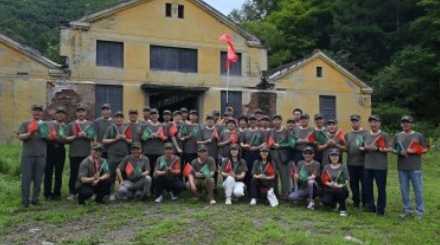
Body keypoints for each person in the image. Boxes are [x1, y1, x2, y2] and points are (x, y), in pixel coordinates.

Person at [393, 115, 428, 220]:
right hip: (402, 167)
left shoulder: (419, 135)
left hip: (415, 167)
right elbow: (392, 148)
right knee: (404, 190)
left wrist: (415, 150)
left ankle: (420, 211)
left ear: (412, 124)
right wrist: (399, 152)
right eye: (403, 122)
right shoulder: (397, 135)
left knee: (418, 190)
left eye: (408, 122)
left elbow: (425, 149)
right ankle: (406, 210)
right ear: (401, 124)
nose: (405, 124)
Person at [360, 114, 393, 216]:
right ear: (369, 123)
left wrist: (377, 149)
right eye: (371, 122)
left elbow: (390, 149)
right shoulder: (365, 135)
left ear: (379, 123)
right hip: (368, 166)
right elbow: (360, 147)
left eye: (375, 122)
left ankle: (380, 209)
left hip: (380, 167)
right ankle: (371, 206)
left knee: (381, 188)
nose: (373, 124)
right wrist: (365, 148)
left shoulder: (384, 135)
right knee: (368, 187)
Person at [17, 104, 48, 207]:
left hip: (41, 155)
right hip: (27, 155)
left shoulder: (45, 125)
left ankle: (35, 199)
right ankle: (25, 200)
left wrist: (42, 132)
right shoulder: (25, 124)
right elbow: (20, 136)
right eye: (35, 110)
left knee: (39, 178)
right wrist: (30, 133)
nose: (37, 112)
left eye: (39, 110)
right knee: (26, 179)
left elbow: (50, 138)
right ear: (32, 111)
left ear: (42, 113)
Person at [66, 105, 95, 200]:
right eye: (79, 112)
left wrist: (85, 135)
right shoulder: (71, 124)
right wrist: (75, 136)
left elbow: (92, 137)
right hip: (74, 153)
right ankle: (72, 193)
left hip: (86, 154)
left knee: (87, 174)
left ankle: (87, 192)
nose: (81, 113)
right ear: (76, 114)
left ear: (86, 113)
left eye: (83, 111)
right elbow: (66, 139)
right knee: (74, 174)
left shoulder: (90, 124)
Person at [102, 111, 132, 201]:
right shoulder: (110, 128)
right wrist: (115, 139)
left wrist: (125, 138)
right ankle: (111, 193)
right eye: (117, 117)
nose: (119, 119)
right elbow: (104, 141)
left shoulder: (127, 128)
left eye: (120, 117)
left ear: (123, 119)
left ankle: (122, 193)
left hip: (124, 155)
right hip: (112, 155)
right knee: (111, 175)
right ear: (115, 119)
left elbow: (131, 141)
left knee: (124, 175)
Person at [44, 106, 67, 201]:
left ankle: (57, 193)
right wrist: (48, 137)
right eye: (58, 113)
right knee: (48, 172)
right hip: (49, 149)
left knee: (59, 172)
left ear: (65, 116)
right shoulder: (48, 124)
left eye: (62, 113)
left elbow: (67, 139)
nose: (60, 115)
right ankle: (47, 193)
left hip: (60, 149)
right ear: (55, 114)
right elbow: (43, 135)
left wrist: (62, 140)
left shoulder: (66, 126)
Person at [345, 114, 368, 208]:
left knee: (365, 183)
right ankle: (356, 200)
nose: (354, 123)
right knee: (353, 183)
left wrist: (364, 148)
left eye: (356, 121)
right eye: (353, 121)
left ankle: (365, 201)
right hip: (351, 162)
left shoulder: (366, 133)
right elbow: (346, 148)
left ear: (360, 121)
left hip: (363, 163)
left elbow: (369, 146)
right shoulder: (348, 134)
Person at [321, 149, 350, 217]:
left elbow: (347, 179)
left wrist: (340, 185)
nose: (334, 157)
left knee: (340, 192)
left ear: (339, 157)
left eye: (336, 155)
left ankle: (343, 210)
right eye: (332, 155)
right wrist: (329, 184)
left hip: (341, 189)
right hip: (329, 189)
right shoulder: (326, 167)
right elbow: (323, 179)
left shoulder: (343, 167)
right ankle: (335, 204)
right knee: (325, 201)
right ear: (329, 157)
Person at [269, 114, 291, 199]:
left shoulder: (286, 131)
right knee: (273, 176)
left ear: (281, 121)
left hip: (283, 156)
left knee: (284, 176)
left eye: (278, 120)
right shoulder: (270, 131)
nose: (276, 121)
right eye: (275, 120)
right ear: (273, 122)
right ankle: (275, 194)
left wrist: (281, 146)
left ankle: (284, 195)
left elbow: (291, 144)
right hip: (272, 155)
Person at [240, 114, 263, 190]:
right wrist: (245, 146)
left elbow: (265, 143)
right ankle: (250, 190)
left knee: (258, 171)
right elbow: (241, 143)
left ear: (257, 121)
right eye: (251, 120)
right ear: (248, 122)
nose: (253, 121)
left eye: (254, 120)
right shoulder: (245, 131)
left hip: (258, 154)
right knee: (249, 171)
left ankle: (259, 190)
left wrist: (256, 148)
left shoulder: (260, 131)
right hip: (247, 154)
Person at [142, 108, 166, 179]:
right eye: (152, 114)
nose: (154, 116)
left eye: (155, 114)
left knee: (159, 170)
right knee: (149, 170)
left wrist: (159, 136)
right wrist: (149, 136)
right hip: (148, 152)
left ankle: (158, 188)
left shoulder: (162, 126)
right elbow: (143, 138)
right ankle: (150, 187)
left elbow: (166, 138)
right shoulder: (146, 126)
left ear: (158, 115)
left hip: (160, 152)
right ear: (150, 116)